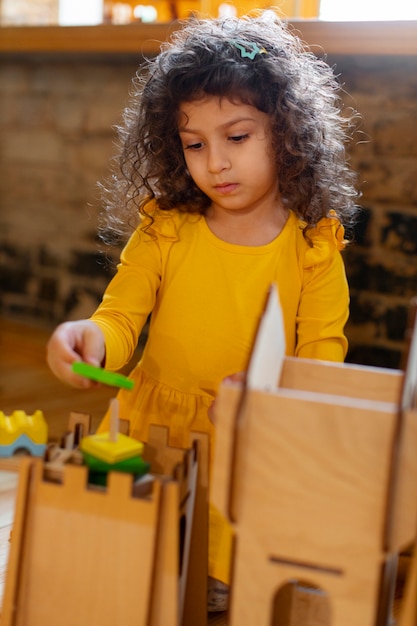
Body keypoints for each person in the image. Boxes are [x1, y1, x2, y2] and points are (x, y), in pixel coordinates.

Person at [47, 11, 359, 612]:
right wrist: (88, 338)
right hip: (151, 421)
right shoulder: (166, 228)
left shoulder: (314, 246)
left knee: (217, 588)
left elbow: (323, 356)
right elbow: (119, 317)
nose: (215, 162)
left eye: (236, 138)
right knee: (125, 561)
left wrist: (274, 398)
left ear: (287, 131)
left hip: (245, 438)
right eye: (194, 144)